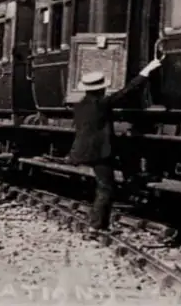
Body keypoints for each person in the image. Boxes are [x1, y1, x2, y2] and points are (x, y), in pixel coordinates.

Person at [67, 58, 163, 234]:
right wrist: (147, 70)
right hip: (99, 152)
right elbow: (127, 91)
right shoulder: (102, 104)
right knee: (106, 188)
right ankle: (95, 226)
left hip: (86, 149)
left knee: (105, 185)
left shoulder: (79, 105)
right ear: (101, 89)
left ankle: (99, 224)